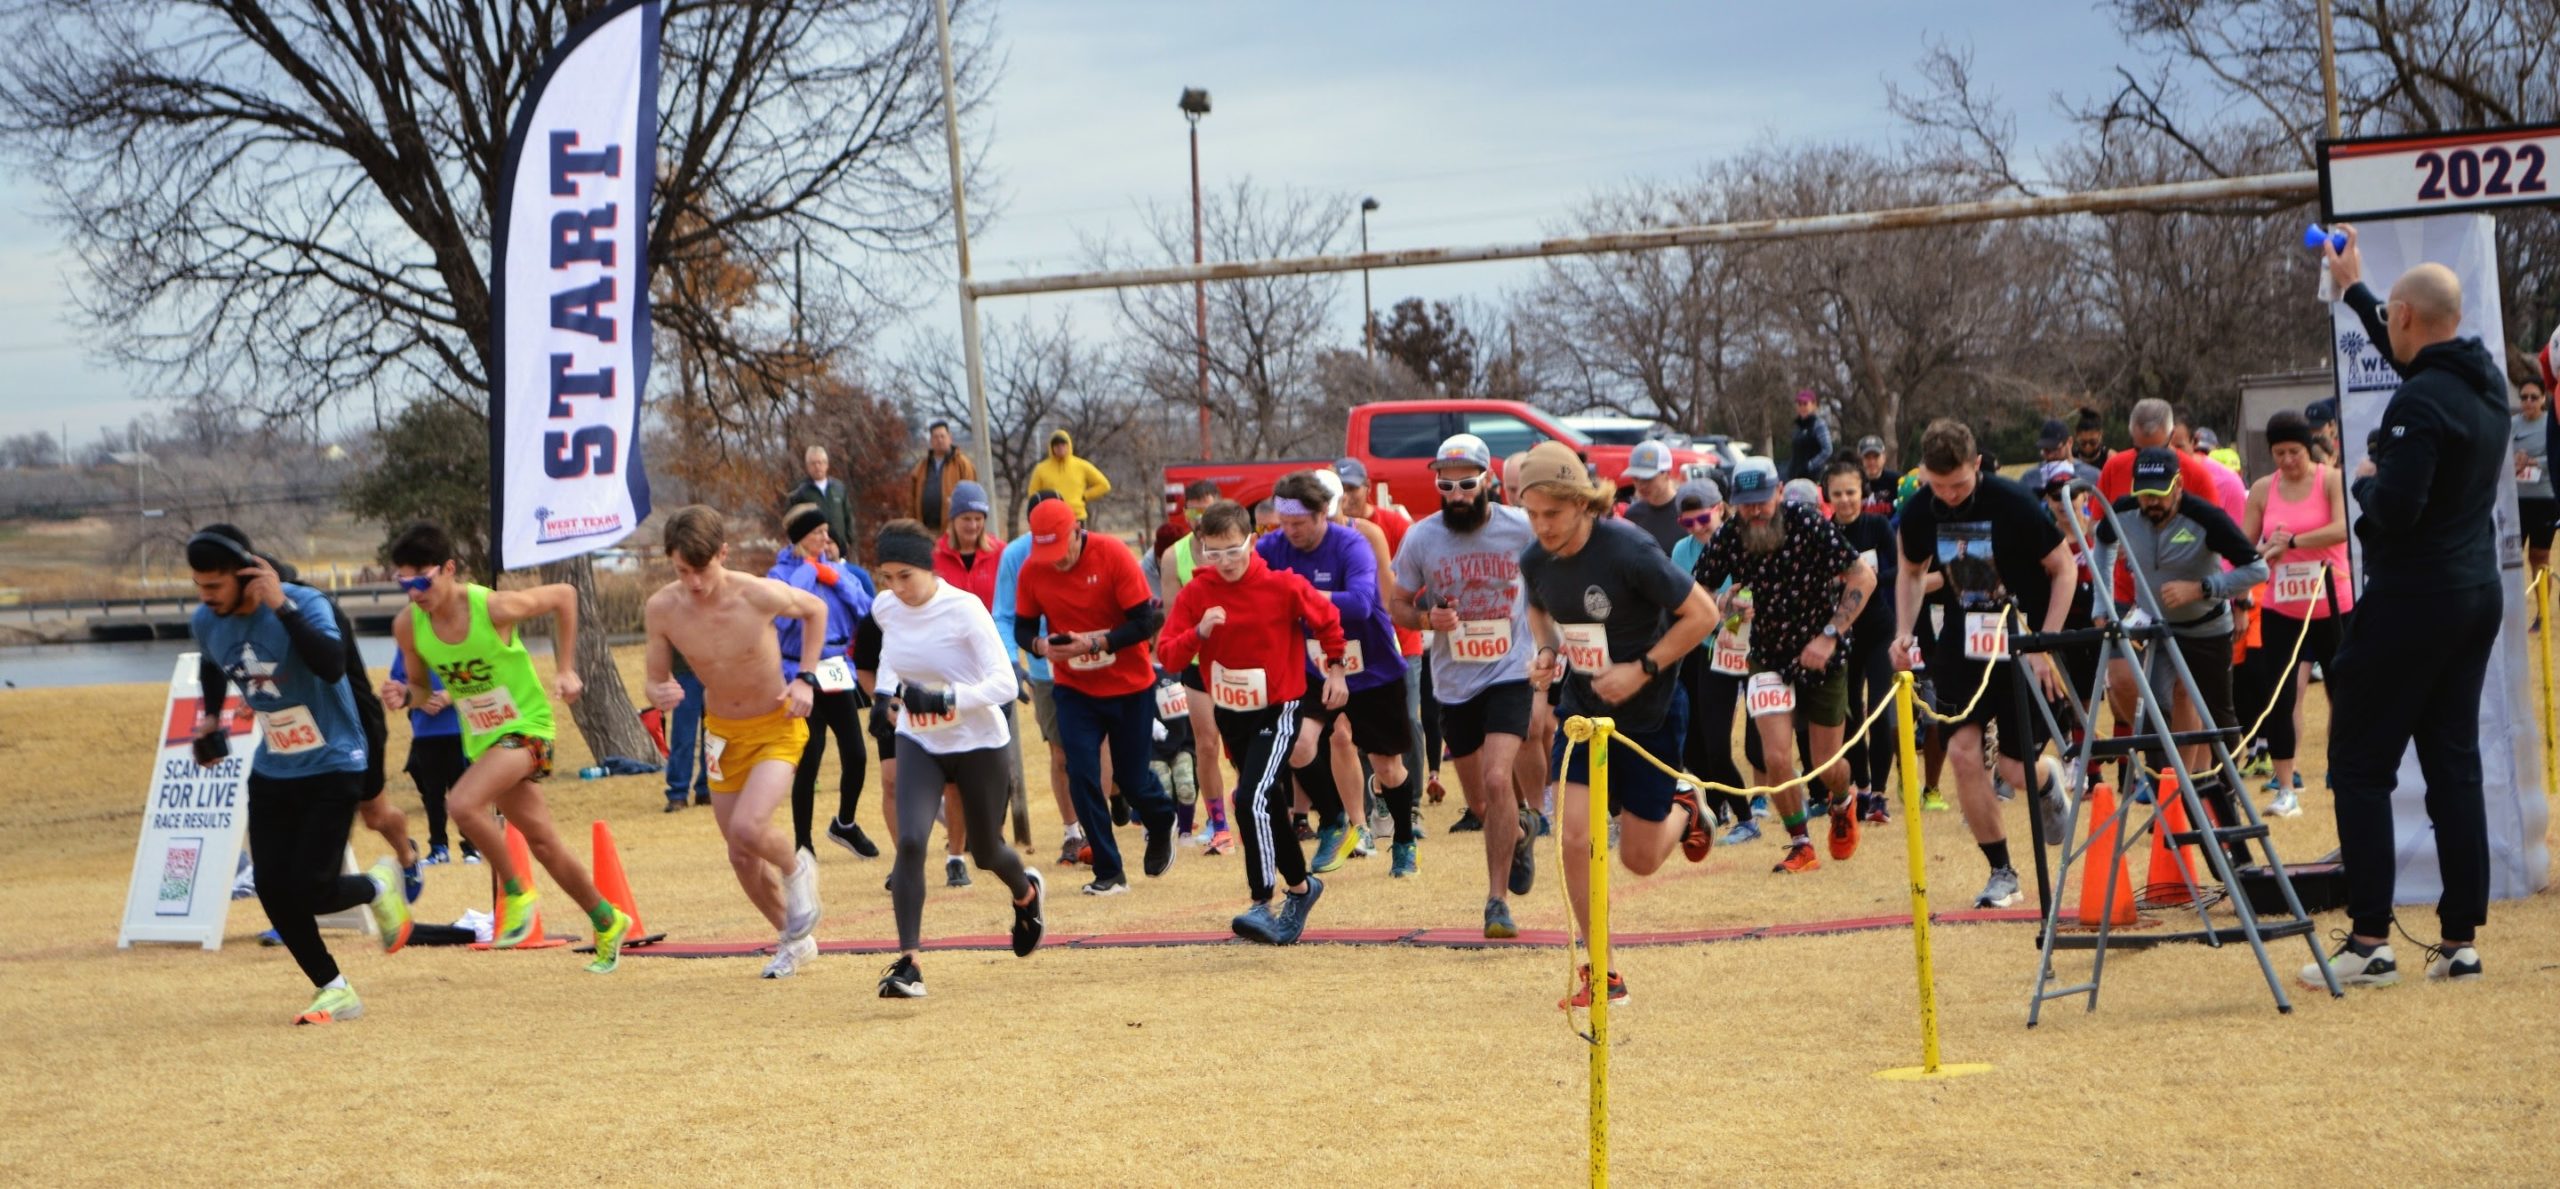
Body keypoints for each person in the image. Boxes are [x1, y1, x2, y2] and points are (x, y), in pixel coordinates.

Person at [2307, 228, 2510, 987]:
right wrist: (2357, 288)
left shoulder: (2417, 403)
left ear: (2406, 316)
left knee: (2359, 763)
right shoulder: (2484, 378)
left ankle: (2368, 943)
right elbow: (2410, 355)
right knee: (2452, 762)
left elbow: (2393, 509)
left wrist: (2364, 474)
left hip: (2413, 599)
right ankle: (2460, 938)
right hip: (2475, 595)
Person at [1516, 441, 1720, 1008]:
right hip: (1583, 715)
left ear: (1583, 503)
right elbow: (1537, 604)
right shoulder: (1535, 559)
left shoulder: (1630, 550)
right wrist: (1547, 649)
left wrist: (1644, 668)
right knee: (1573, 838)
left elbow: (1704, 614)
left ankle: (1686, 804)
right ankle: (1601, 968)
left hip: (1652, 714)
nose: (1542, 527)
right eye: (1532, 515)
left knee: (1640, 859)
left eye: (1552, 514)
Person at [384, 522, 632, 971]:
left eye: (423, 579)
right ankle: (607, 918)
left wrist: (566, 668)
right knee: (544, 843)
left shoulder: (491, 607)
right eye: (405, 583)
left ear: (449, 569)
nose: (415, 592)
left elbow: (564, 597)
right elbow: (419, 688)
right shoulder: (408, 626)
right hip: (485, 739)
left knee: (461, 804)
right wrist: (405, 695)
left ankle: (516, 895)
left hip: (528, 727)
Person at [186, 531, 410, 1023]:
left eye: (214, 585)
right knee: (271, 887)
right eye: (199, 585)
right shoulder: (207, 619)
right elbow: (211, 661)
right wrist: (208, 719)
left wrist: (281, 605)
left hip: (335, 760)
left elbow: (330, 666)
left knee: (311, 888)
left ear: (248, 573)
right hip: (274, 766)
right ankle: (334, 987)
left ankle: (377, 887)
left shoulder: (307, 605)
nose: (205, 596)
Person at [1890, 419, 2079, 910]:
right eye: (1938, 485)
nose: (1949, 496)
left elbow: (2064, 568)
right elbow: (1911, 574)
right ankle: (2001, 871)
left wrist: (2044, 642)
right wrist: (1903, 632)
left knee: (2016, 769)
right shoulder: (1918, 510)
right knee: (1963, 755)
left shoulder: (2012, 502)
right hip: (1960, 640)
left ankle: (2046, 780)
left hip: (2019, 636)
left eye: (1958, 484)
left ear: (1977, 466)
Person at [643, 506, 829, 978]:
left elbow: (816, 610)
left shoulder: (757, 594)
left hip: (776, 725)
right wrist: (658, 691)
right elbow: (654, 678)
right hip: (723, 734)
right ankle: (793, 938)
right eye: (682, 571)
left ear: (723, 554)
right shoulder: (662, 608)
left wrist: (806, 677)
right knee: (740, 853)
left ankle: (797, 867)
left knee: (749, 827)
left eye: (702, 570)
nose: (695, 583)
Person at [1159, 500, 1351, 943]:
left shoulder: (1281, 586)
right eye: (1214, 552)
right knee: (1264, 802)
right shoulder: (1198, 592)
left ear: (1252, 541)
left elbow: (1328, 620)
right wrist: (1199, 633)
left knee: (1249, 797)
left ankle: (1262, 901)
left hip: (1279, 707)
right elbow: (1167, 652)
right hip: (1232, 713)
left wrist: (1336, 668)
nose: (1225, 562)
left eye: (1233, 550)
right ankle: (1302, 889)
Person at [868, 520, 1044, 997]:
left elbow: (1005, 683)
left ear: (927, 567)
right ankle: (909, 963)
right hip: (920, 742)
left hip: (979, 743)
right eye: (886, 576)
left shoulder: (964, 610)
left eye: (904, 575)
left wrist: (946, 698)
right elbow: (892, 652)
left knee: (985, 851)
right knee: (909, 841)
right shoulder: (887, 607)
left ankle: (1026, 894)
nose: (895, 587)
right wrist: (885, 696)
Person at [1391, 434, 1546, 937]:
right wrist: (1425, 618)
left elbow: (1556, 570)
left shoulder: (1520, 528)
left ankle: (1496, 901)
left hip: (1509, 671)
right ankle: (1519, 831)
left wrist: (1551, 642)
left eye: (1465, 483)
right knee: (1482, 804)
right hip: (1454, 681)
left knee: (1501, 781)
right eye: (1446, 484)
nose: (1456, 494)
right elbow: (1395, 604)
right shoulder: (1421, 538)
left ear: (1488, 481)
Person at [1694, 461, 1876, 874]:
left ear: (1778, 493)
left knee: (1825, 763)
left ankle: (1843, 800)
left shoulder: (1808, 524)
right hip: (1767, 654)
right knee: (1775, 757)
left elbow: (1862, 577)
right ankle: (1800, 843)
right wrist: (1724, 605)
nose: (1755, 513)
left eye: (1761, 503)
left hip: (1823, 650)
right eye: (1745, 506)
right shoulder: (1729, 536)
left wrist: (1829, 635)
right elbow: (1698, 590)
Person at [2090, 449, 2268, 867]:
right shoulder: (2124, 511)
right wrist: (2103, 603)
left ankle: (2219, 797)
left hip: (2207, 627)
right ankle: (2174, 792)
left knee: (2216, 713)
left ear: (2179, 487)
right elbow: (2102, 543)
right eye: (2144, 494)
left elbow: (2256, 571)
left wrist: (2201, 588)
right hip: (2157, 627)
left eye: (2160, 494)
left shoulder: (2205, 517)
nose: (2151, 502)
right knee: (2160, 704)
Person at [1011, 497, 1179, 895]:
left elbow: (1144, 622)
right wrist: (1040, 645)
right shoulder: (1033, 570)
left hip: (1129, 685)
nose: (1057, 561)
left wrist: (1096, 642)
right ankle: (1108, 871)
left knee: (1133, 780)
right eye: (1046, 552)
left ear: (1077, 531)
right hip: (1074, 688)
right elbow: (1021, 628)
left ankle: (1161, 818)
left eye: (1062, 550)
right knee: (1081, 774)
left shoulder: (1113, 554)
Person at [1263, 470, 1419, 875]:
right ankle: (1332, 819)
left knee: (1387, 767)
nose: (1290, 532)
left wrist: (1298, 594)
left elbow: (1362, 604)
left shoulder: (1351, 544)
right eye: (1284, 524)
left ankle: (1403, 840)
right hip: (1312, 666)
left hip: (1371, 667)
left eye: (1299, 524)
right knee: (1298, 744)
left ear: (1321, 516)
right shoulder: (1272, 548)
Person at [2242, 410, 2354, 816]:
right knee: (2280, 695)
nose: (2288, 460)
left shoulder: (2330, 480)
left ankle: (2344, 772)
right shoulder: (2260, 489)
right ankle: (2285, 787)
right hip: (2282, 607)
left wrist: (2292, 542)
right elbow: (2245, 546)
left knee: (2343, 692)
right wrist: (2263, 551)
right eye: (2279, 453)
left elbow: (2343, 528)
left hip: (2333, 604)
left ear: (2308, 447)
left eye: (2294, 451)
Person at [771, 505, 878, 860]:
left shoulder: (835, 569)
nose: (826, 539)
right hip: (799, 672)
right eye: (819, 533)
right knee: (810, 755)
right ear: (802, 537)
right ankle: (803, 843)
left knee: (857, 754)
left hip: (836, 669)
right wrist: (806, 574)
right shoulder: (779, 573)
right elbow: (782, 620)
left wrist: (835, 580)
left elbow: (866, 611)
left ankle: (845, 823)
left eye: (827, 532)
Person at [995, 491, 1092, 868]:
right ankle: (1073, 832)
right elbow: (1003, 615)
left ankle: (1107, 806)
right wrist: (1012, 662)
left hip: (1091, 663)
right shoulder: (1016, 555)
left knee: (1099, 750)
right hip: (1045, 671)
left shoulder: (1087, 547)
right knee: (1061, 752)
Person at [935, 480, 1023, 853]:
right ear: (953, 520)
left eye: (978, 518)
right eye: (965, 518)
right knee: (956, 755)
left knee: (995, 750)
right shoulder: (934, 558)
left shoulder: (1001, 555)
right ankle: (964, 829)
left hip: (991, 665)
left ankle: (991, 830)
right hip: (951, 668)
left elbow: (1010, 607)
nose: (972, 525)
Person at [1825, 459, 1901, 826]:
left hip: (1879, 629)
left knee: (1880, 710)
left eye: (1851, 492)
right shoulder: (1824, 532)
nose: (1845, 500)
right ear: (1828, 495)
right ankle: (1862, 786)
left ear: (1862, 493)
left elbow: (1900, 569)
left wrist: (1867, 577)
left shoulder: (1877, 525)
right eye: (1837, 493)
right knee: (1850, 712)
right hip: (1843, 635)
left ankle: (1881, 795)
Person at [385, 649, 469, 864]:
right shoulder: (409, 641)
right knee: (432, 793)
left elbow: (479, 676)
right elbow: (397, 684)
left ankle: (472, 847)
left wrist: (449, 697)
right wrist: (419, 701)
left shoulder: (456, 637)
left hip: (460, 729)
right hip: (425, 732)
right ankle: (438, 848)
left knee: (463, 791)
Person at [2513, 378, 2553, 608]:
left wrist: (2533, 462)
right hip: (2515, 500)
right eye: (2524, 397)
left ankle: (2543, 614)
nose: (2528, 402)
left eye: (2533, 397)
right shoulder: (2511, 424)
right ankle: (2509, 613)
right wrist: (2514, 461)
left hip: (2543, 500)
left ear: (2543, 400)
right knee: (2510, 559)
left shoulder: (2551, 424)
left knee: (2538, 558)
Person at [661, 650, 712, 812]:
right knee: (683, 736)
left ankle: (708, 787)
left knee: (714, 734)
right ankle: (678, 792)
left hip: (715, 670)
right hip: (686, 669)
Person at [907, 421, 978, 534]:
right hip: (924, 530)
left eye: (942, 436)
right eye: (935, 437)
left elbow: (972, 498)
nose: (939, 440)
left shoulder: (962, 464)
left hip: (952, 531)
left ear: (950, 438)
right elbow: (911, 499)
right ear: (931, 441)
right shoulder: (921, 467)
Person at [1026, 429, 1111, 523]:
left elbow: (1104, 485)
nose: (1060, 447)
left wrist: (1084, 496)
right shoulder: (1041, 469)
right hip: (1053, 519)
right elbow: (1033, 494)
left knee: (1083, 538)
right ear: (1051, 448)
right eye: (1056, 445)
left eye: (1063, 444)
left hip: (1077, 517)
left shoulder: (1081, 465)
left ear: (1069, 445)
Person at [784, 444, 854, 556]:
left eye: (820, 462)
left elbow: (848, 515)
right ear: (807, 466)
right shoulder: (800, 492)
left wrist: (848, 540)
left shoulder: (839, 488)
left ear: (827, 464)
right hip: (813, 551)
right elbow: (792, 521)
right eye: (813, 463)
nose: (817, 466)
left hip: (838, 548)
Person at [1617, 441, 1685, 552]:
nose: (1641, 485)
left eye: (1647, 479)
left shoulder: (1686, 512)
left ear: (1666, 474)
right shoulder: (1633, 514)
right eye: (1635, 478)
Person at [1786, 389, 1833, 483]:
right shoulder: (1798, 428)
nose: (1802, 407)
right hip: (1796, 476)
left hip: (1813, 477)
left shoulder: (1818, 425)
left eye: (1805, 404)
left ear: (1813, 405)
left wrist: (1810, 465)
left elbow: (1827, 450)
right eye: (1800, 404)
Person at [1855, 436, 1900, 519]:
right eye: (1867, 457)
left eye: (1876, 457)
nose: (1872, 462)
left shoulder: (1897, 481)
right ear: (1861, 460)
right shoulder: (1854, 482)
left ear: (1884, 458)